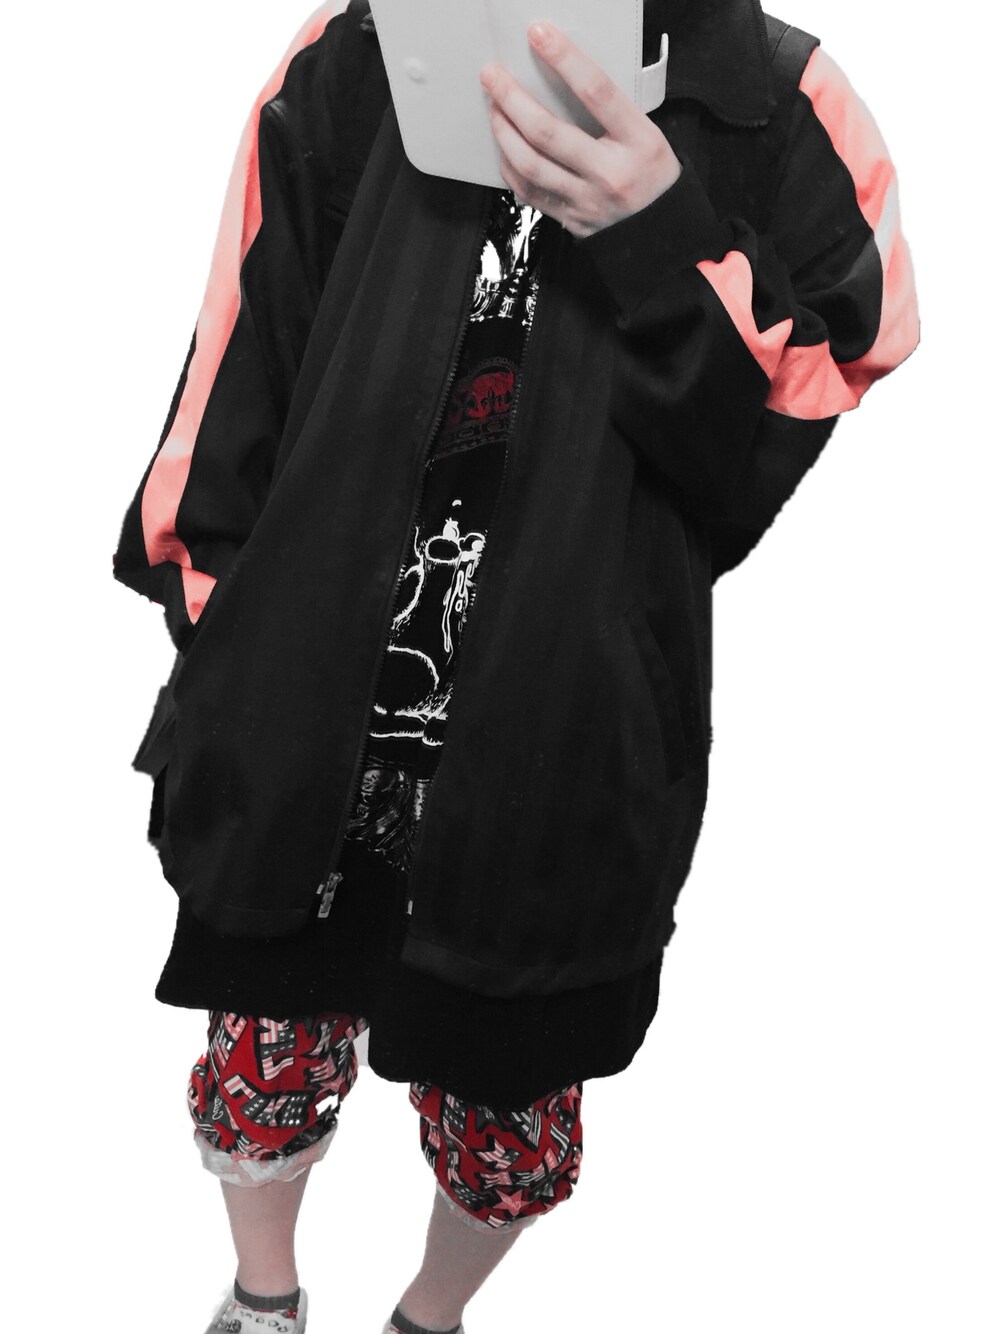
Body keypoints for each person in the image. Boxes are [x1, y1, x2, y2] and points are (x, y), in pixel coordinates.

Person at [110, 1, 919, 1331]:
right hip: (309, 711)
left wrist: (662, 230)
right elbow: (240, 349)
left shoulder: (780, 104)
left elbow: (773, 440)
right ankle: (263, 1296)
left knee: (508, 1128)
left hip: (558, 751)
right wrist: (218, 626)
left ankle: (428, 1318)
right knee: (261, 1051)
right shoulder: (368, 43)